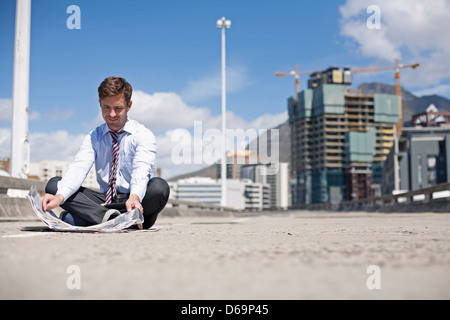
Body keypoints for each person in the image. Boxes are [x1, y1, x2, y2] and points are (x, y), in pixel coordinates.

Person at [42, 76, 170, 229]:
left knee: (159, 188)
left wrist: (135, 197)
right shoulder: (93, 136)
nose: (112, 114)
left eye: (118, 108)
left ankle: (89, 217)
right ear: (100, 104)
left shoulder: (143, 135)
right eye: (106, 108)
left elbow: (141, 169)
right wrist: (60, 197)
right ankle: (111, 218)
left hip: (134, 201)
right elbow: (79, 168)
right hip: (104, 199)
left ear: (129, 105)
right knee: (54, 185)